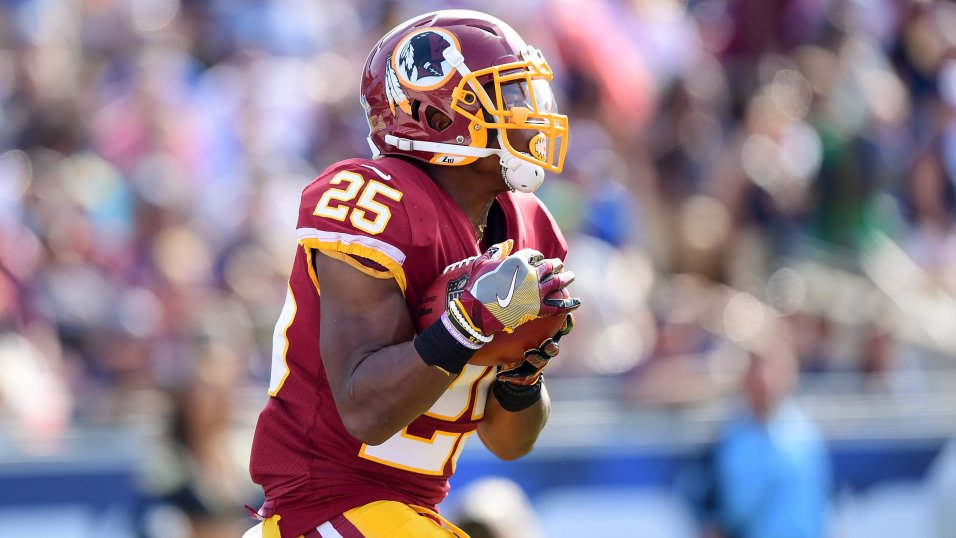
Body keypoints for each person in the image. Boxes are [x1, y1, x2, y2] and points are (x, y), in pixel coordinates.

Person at [244, 10, 580, 538]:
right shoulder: (374, 201)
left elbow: (509, 443)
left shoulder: (529, 225)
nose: (529, 111)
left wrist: (523, 378)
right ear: (439, 114)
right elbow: (366, 413)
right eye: (507, 95)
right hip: (324, 510)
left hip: (406, 515)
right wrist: (467, 324)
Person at [708, 331, 832, 538]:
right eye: (755, 369)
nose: (763, 380)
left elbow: (821, 501)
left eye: (770, 369)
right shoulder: (730, 439)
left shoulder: (805, 434)